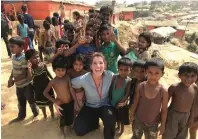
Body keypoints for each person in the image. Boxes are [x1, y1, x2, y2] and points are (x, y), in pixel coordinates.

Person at [72, 52, 116, 139]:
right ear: (90, 66)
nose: (98, 66)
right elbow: (69, 83)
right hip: (90, 106)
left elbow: (122, 80)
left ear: (105, 65)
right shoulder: (84, 79)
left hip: (105, 105)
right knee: (79, 130)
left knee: (110, 117)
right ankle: (94, 123)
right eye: (94, 63)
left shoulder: (110, 75)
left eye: (101, 63)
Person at [131, 58, 168, 139]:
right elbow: (136, 102)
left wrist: (163, 125)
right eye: (150, 72)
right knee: (136, 136)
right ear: (146, 72)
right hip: (138, 120)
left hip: (153, 124)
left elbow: (164, 110)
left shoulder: (163, 91)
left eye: (157, 73)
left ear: (162, 74)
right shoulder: (141, 86)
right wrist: (132, 114)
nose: (153, 76)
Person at [43, 55, 78, 138]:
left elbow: (71, 89)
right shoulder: (53, 81)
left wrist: (76, 101)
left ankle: (68, 130)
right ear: (54, 70)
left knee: (70, 117)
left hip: (70, 102)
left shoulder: (67, 77)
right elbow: (45, 93)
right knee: (62, 120)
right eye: (58, 70)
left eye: (63, 70)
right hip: (61, 104)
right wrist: (54, 101)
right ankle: (62, 133)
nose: (60, 72)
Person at [8, 37, 39, 124]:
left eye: (13, 46)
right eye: (10, 46)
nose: (11, 49)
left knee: (31, 100)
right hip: (18, 85)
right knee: (21, 102)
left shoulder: (24, 59)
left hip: (26, 85)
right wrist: (10, 77)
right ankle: (21, 116)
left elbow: (25, 74)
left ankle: (36, 114)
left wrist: (13, 80)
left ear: (21, 47)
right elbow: (14, 69)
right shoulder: (14, 57)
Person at [163, 62, 198, 139]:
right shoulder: (174, 87)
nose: (189, 79)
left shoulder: (195, 88)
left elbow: (193, 104)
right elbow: (165, 103)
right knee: (169, 135)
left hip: (186, 116)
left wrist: (191, 118)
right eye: (186, 75)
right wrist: (163, 118)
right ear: (179, 75)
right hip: (173, 115)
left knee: (182, 136)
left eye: (193, 76)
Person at [25, 49, 55, 119]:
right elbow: (29, 79)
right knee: (42, 104)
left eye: (38, 56)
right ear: (29, 60)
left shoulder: (43, 65)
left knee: (50, 102)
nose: (37, 59)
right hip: (38, 90)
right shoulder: (31, 70)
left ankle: (52, 114)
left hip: (47, 88)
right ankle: (44, 115)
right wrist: (29, 69)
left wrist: (53, 81)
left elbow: (48, 74)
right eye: (34, 58)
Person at [109, 57, 132, 136]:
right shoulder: (114, 77)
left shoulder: (129, 81)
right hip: (113, 101)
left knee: (122, 118)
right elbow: (111, 87)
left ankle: (122, 130)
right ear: (117, 68)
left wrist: (121, 103)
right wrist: (110, 98)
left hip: (121, 104)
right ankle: (117, 127)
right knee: (116, 117)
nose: (123, 72)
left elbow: (127, 94)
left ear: (130, 70)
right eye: (121, 69)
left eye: (126, 70)